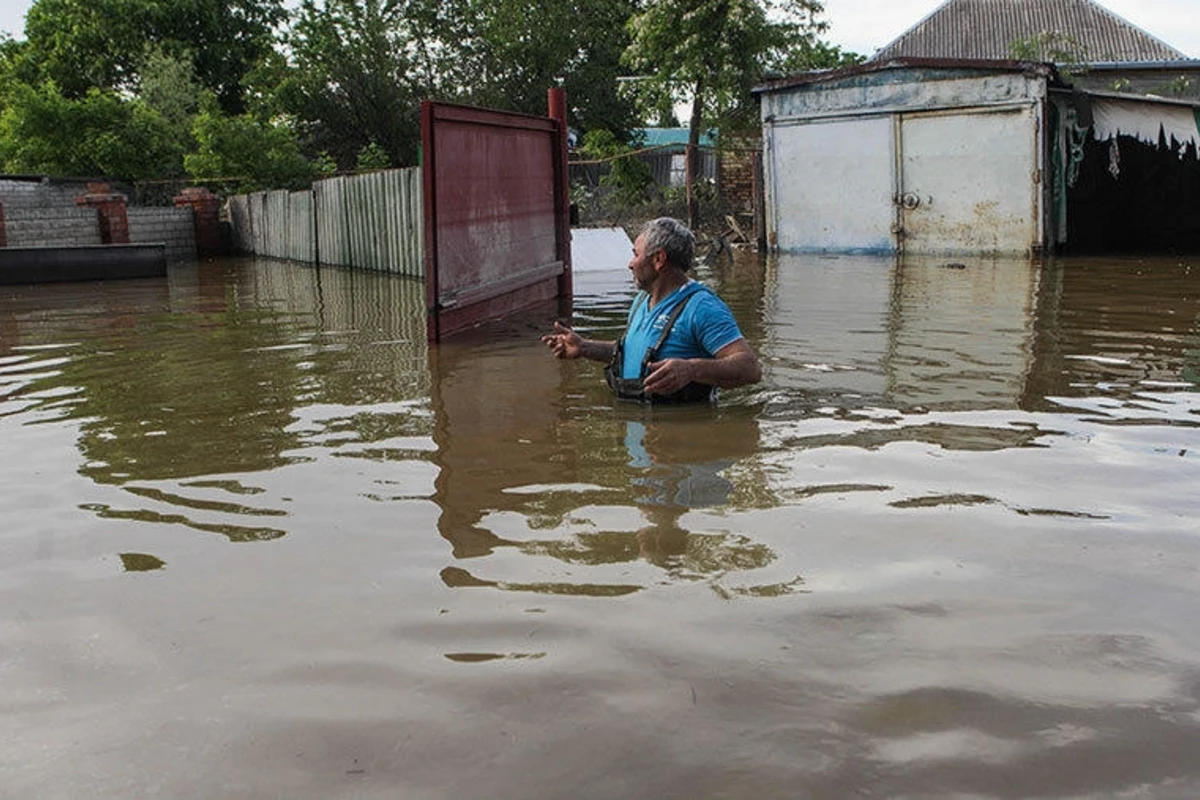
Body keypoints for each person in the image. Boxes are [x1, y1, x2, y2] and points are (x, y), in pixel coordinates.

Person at [542, 217, 761, 403]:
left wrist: (691, 369)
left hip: (679, 443)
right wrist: (584, 347)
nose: (630, 264)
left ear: (658, 259)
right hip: (641, 433)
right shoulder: (640, 301)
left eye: (636, 255)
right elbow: (634, 352)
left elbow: (751, 368)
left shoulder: (702, 307)